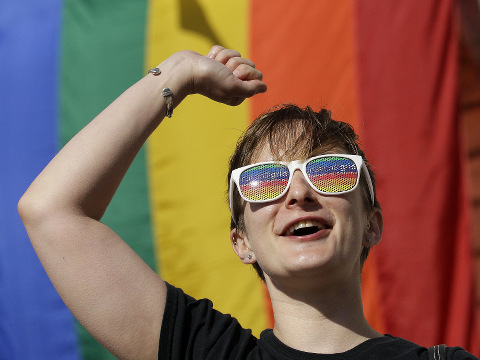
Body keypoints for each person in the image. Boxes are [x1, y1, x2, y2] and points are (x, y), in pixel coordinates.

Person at [18, 46, 477, 360]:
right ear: (241, 242)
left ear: (372, 224)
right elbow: (50, 210)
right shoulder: (204, 351)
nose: (298, 194)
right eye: (264, 181)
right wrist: (176, 73)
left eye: (329, 172)